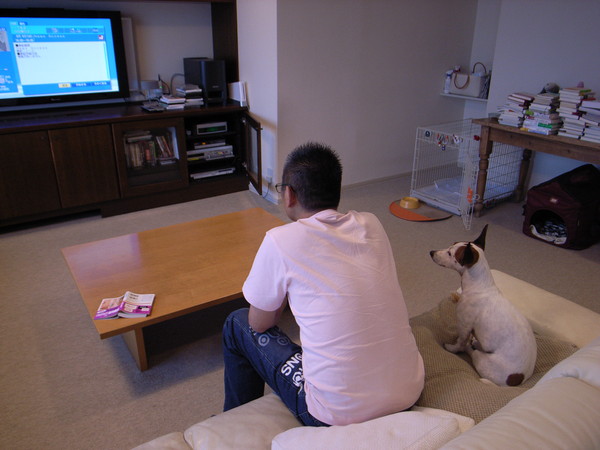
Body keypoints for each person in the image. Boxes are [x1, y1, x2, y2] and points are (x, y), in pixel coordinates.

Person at [222, 142, 424, 427]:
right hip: (408, 391)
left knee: (237, 322)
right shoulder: (372, 223)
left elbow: (259, 323)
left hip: (332, 414)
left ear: (289, 194)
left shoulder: (279, 240)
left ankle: (233, 423)